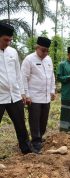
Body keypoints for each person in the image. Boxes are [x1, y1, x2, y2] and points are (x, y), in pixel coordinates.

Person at [0, 22, 32, 154]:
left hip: (15, 95)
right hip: (0, 96)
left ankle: (26, 150)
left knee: (20, 124)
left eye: (10, 40)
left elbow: (18, 74)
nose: (8, 43)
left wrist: (22, 92)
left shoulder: (13, 52)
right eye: (5, 40)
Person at [21, 36, 56, 153]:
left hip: (46, 96)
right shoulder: (29, 59)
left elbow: (52, 76)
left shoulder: (49, 59)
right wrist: (26, 94)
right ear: (37, 47)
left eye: (47, 50)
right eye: (43, 50)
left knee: (44, 120)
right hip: (34, 96)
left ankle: (39, 138)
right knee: (34, 120)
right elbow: (23, 78)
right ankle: (35, 142)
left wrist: (52, 90)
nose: (45, 53)